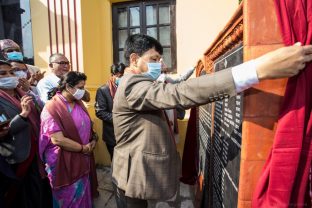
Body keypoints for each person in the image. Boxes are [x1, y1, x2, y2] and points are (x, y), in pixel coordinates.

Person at [111, 34, 312, 208]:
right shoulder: (131, 85)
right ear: (134, 59)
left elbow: (174, 100)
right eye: (154, 59)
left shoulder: (143, 83)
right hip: (130, 179)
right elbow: (178, 93)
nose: (161, 65)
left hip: (140, 175)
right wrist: (257, 70)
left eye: (160, 59)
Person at [39, 71, 98, 207]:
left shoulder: (77, 102)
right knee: (68, 197)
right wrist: (83, 148)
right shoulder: (52, 108)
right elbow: (57, 139)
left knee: (83, 193)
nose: (83, 91)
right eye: (81, 87)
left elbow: (87, 125)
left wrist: (93, 140)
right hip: (63, 160)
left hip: (83, 156)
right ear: (69, 87)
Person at [0, 60, 52, 207]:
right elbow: (4, 130)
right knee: (24, 196)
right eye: (3, 73)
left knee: (40, 190)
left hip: (37, 152)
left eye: (11, 72)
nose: (9, 76)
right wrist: (22, 115)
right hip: (17, 156)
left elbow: (40, 113)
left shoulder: (22, 92)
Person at [95, 63, 125, 160]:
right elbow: (100, 112)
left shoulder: (129, 88)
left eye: (124, 76)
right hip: (112, 135)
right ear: (112, 75)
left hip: (128, 134)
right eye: (119, 76)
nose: (121, 78)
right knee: (117, 164)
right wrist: (120, 119)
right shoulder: (103, 90)